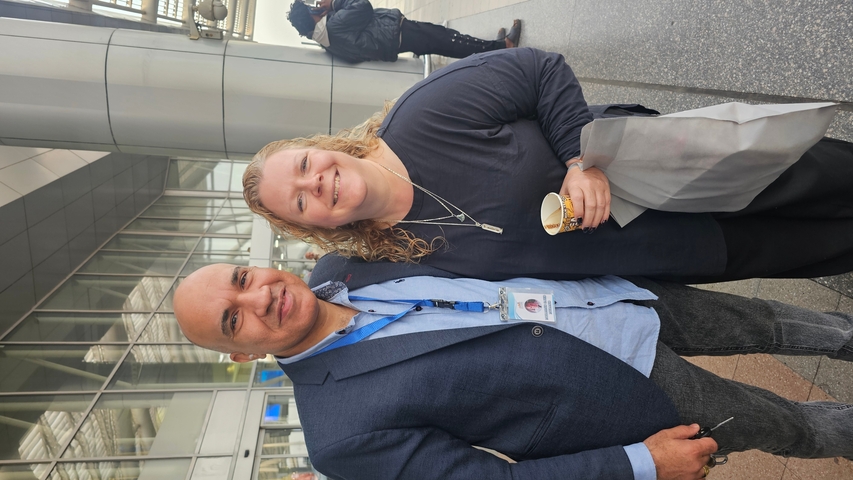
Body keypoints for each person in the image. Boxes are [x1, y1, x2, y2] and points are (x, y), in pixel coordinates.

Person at [174, 262, 853, 480]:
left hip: (613, 298)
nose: (258, 297)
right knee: (794, 425)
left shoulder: (349, 262)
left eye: (241, 278)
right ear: (242, 355)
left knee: (769, 321)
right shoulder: (339, 434)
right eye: (235, 320)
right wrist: (636, 465)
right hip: (630, 397)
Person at [242, 47, 853, 284]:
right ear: (311, 225)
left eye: (302, 164)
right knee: (804, 252)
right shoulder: (391, 251)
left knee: (811, 176)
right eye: (299, 200)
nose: (314, 182)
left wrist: (577, 161)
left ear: (316, 145)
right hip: (669, 252)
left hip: (672, 172)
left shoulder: (423, 115)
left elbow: (539, 69)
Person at [287, 0, 521, 63]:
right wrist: (336, 4)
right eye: (313, 7)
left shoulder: (325, 40)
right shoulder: (332, 25)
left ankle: (493, 47)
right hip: (397, 33)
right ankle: (502, 47)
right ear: (311, 15)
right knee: (449, 40)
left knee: (446, 40)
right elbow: (363, 7)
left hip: (395, 39)